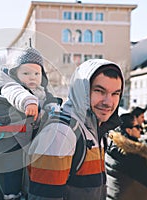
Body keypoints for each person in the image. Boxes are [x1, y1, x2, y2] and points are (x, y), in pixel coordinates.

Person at [28, 59, 124, 200]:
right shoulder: (61, 134)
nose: (108, 102)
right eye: (99, 91)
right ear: (82, 90)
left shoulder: (96, 130)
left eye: (115, 93)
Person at [0, 47, 62, 200]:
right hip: (13, 143)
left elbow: (49, 101)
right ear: (15, 74)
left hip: (33, 142)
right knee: (12, 172)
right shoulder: (10, 85)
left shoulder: (41, 91)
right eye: (26, 73)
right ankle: (11, 194)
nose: (32, 78)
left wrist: (53, 108)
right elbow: (14, 92)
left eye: (37, 73)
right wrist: (27, 102)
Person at [106, 113, 147, 200]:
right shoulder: (135, 154)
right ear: (128, 130)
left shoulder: (110, 146)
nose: (140, 129)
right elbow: (143, 186)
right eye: (137, 127)